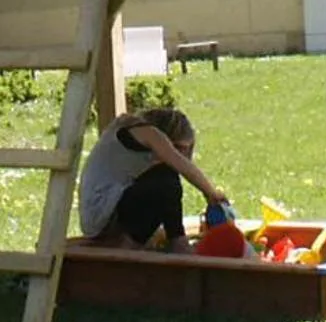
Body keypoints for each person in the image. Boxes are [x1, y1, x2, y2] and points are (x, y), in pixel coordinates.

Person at [77, 107, 228, 253]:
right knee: (166, 179)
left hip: (99, 217)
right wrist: (211, 193)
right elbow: (180, 164)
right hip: (104, 214)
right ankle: (176, 243)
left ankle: (133, 242)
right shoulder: (148, 133)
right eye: (181, 148)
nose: (185, 154)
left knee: (161, 183)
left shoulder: (128, 136)